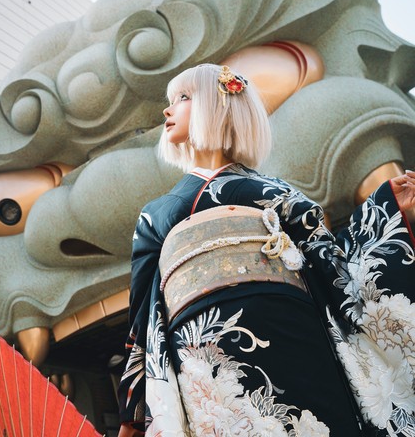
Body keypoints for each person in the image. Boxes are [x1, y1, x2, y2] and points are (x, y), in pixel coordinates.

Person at [117, 63, 415, 436]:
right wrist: (133, 413)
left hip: (293, 336)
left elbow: (334, 266)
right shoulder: (154, 215)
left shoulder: (276, 193)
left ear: (217, 105)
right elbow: (141, 320)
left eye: (182, 97)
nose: (167, 109)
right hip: (201, 362)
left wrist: (383, 208)